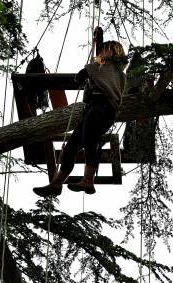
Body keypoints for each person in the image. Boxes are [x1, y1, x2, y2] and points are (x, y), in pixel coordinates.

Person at [33, 27, 127, 197]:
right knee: (71, 147)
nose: (101, 53)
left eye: (106, 50)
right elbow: (96, 63)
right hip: (93, 109)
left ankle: (88, 180)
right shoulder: (104, 67)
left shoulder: (113, 68)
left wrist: (86, 72)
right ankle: (56, 183)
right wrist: (99, 39)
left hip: (103, 108)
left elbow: (92, 70)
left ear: (112, 52)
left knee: (90, 140)